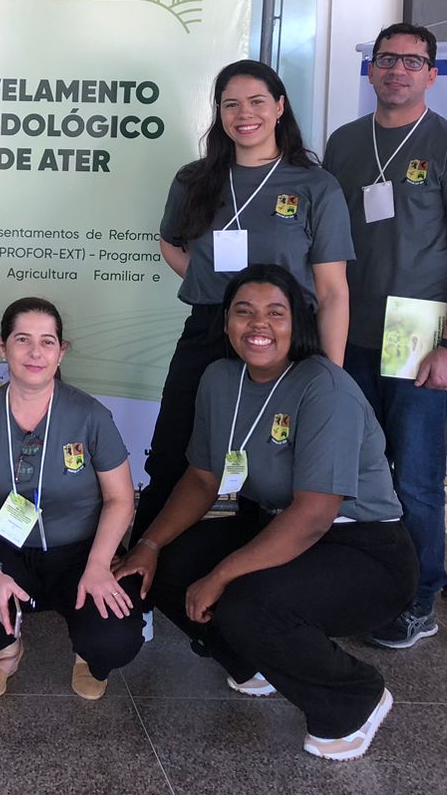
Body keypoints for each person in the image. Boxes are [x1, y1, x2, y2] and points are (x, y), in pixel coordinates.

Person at [116, 264, 416, 762]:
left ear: (297, 322)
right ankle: (254, 663)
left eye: (276, 313)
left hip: (361, 548)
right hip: (274, 525)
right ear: (227, 322)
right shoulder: (219, 378)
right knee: (165, 568)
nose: (259, 325)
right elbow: (203, 478)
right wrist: (147, 546)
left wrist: (222, 574)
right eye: (244, 312)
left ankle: (354, 698)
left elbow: (316, 514)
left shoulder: (326, 387)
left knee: (246, 601)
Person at [131, 60, 354, 542]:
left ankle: (256, 576)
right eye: (230, 104)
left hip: (288, 337)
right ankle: (142, 578)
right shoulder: (194, 180)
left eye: (256, 102)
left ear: (279, 107)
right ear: (219, 113)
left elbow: (333, 290)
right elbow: (171, 241)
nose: (243, 114)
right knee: (174, 448)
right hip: (211, 328)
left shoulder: (316, 186)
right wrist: (214, 285)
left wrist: (330, 377)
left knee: (276, 459)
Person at [323, 22, 447, 649]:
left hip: (420, 342)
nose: (397, 70)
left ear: (431, 74)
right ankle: (363, 587)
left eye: (412, 61)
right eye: (386, 59)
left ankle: (420, 600)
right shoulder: (343, 143)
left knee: (417, 478)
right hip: (349, 337)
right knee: (357, 473)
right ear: (371, 70)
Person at [0, 297, 141, 702]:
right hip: (11, 548)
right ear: (2, 346)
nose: (35, 352)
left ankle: (88, 655)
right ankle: (6, 649)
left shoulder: (90, 415)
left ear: (61, 351)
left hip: (81, 554)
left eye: (47, 341)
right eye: (22, 339)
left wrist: (100, 564)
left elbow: (120, 498)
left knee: (116, 637)